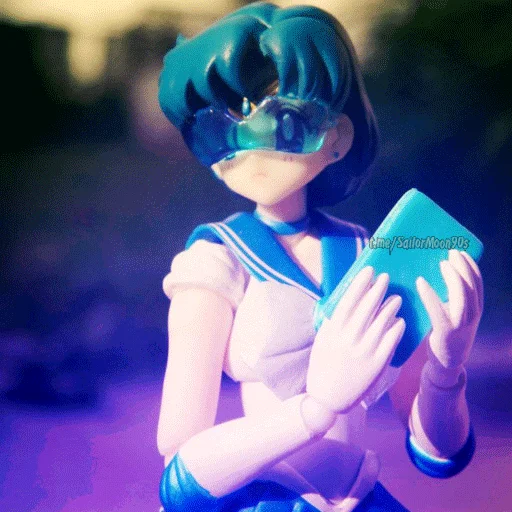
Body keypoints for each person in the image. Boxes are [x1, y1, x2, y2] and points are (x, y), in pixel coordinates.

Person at [156, 3, 483, 511]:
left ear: (338, 137)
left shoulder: (366, 254)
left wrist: (446, 368)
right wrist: (315, 408)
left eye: (281, 122)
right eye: (217, 132)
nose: (247, 147)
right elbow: (181, 474)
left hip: (359, 497)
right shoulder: (214, 262)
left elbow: (438, 454)